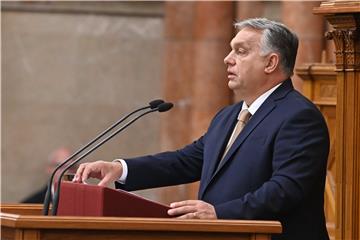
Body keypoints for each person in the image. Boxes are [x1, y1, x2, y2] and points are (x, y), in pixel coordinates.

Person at [74, 18, 330, 240]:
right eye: (231, 51)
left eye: (240, 51)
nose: (227, 59)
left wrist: (220, 213)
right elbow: (187, 161)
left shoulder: (298, 116)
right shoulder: (228, 116)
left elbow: (285, 189)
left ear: (271, 62)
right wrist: (121, 169)